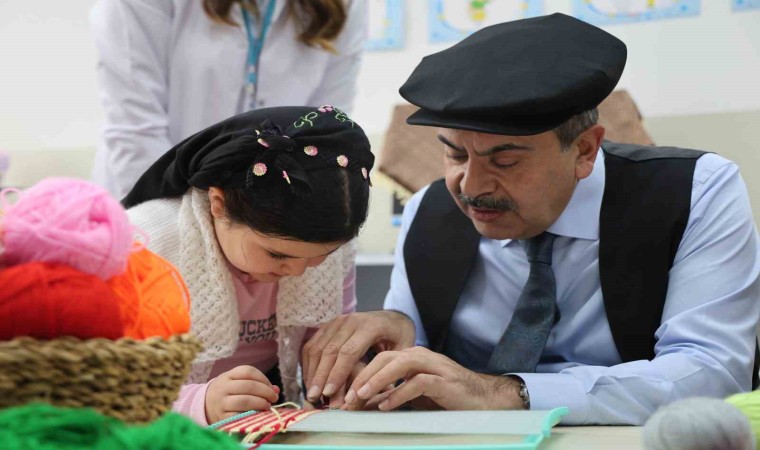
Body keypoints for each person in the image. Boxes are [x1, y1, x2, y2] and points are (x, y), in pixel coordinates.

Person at [300, 13, 760, 425]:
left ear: (584, 149)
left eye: (505, 160)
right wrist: (377, 360)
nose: (471, 185)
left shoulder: (694, 192)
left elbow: (714, 373)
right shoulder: (430, 210)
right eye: (455, 154)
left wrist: (506, 393)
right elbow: (415, 358)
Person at [123, 105, 374, 425]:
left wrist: (342, 378)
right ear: (218, 204)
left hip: (261, 416)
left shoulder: (329, 245)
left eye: (319, 257)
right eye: (277, 255)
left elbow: (326, 340)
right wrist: (196, 403)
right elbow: (86, 388)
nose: (298, 271)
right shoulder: (142, 248)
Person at [90, 0, 367, 200]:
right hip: (155, 204)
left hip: (271, 220)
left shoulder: (345, 5)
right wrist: (178, 229)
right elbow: (137, 129)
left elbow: (325, 132)